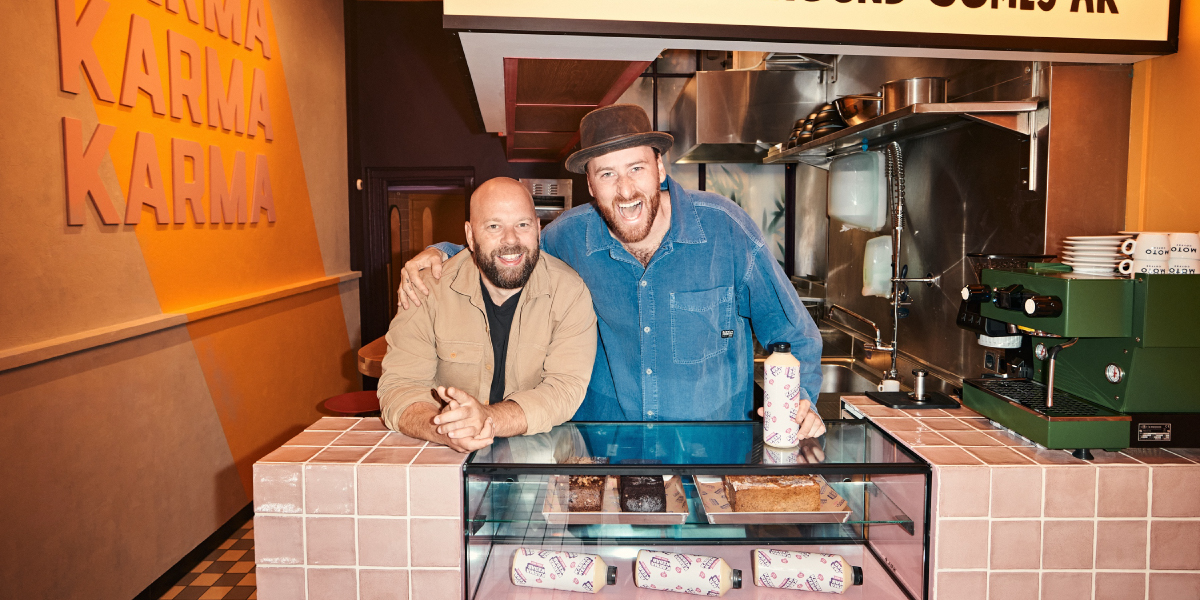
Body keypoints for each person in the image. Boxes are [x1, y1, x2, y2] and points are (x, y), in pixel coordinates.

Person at [398, 105, 826, 439]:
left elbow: (796, 334)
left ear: (660, 169)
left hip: (709, 457)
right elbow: (510, 250)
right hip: (602, 458)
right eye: (607, 173)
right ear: (590, 183)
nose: (625, 190)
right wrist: (440, 252)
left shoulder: (725, 229)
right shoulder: (569, 237)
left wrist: (800, 403)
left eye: (637, 168)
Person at [377, 177, 598, 453]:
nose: (511, 240)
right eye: (494, 226)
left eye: (523, 224)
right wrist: (446, 429)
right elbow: (399, 386)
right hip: (446, 457)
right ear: (470, 236)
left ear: (538, 229)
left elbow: (565, 390)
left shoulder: (569, 292)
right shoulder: (426, 289)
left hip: (536, 460)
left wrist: (487, 419)